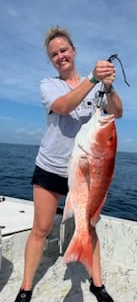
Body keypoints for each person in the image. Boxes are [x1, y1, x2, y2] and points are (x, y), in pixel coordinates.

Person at [14, 26, 123, 302]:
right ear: (51, 60)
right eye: (54, 54)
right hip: (50, 167)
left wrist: (108, 87)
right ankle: (26, 288)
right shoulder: (48, 85)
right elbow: (63, 106)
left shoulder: (97, 86)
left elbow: (117, 112)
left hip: (85, 169)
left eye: (64, 50)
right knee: (40, 229)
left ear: (73, 51)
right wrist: (92, 78)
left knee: (89, 226)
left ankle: (97, 285)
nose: (60, 56)